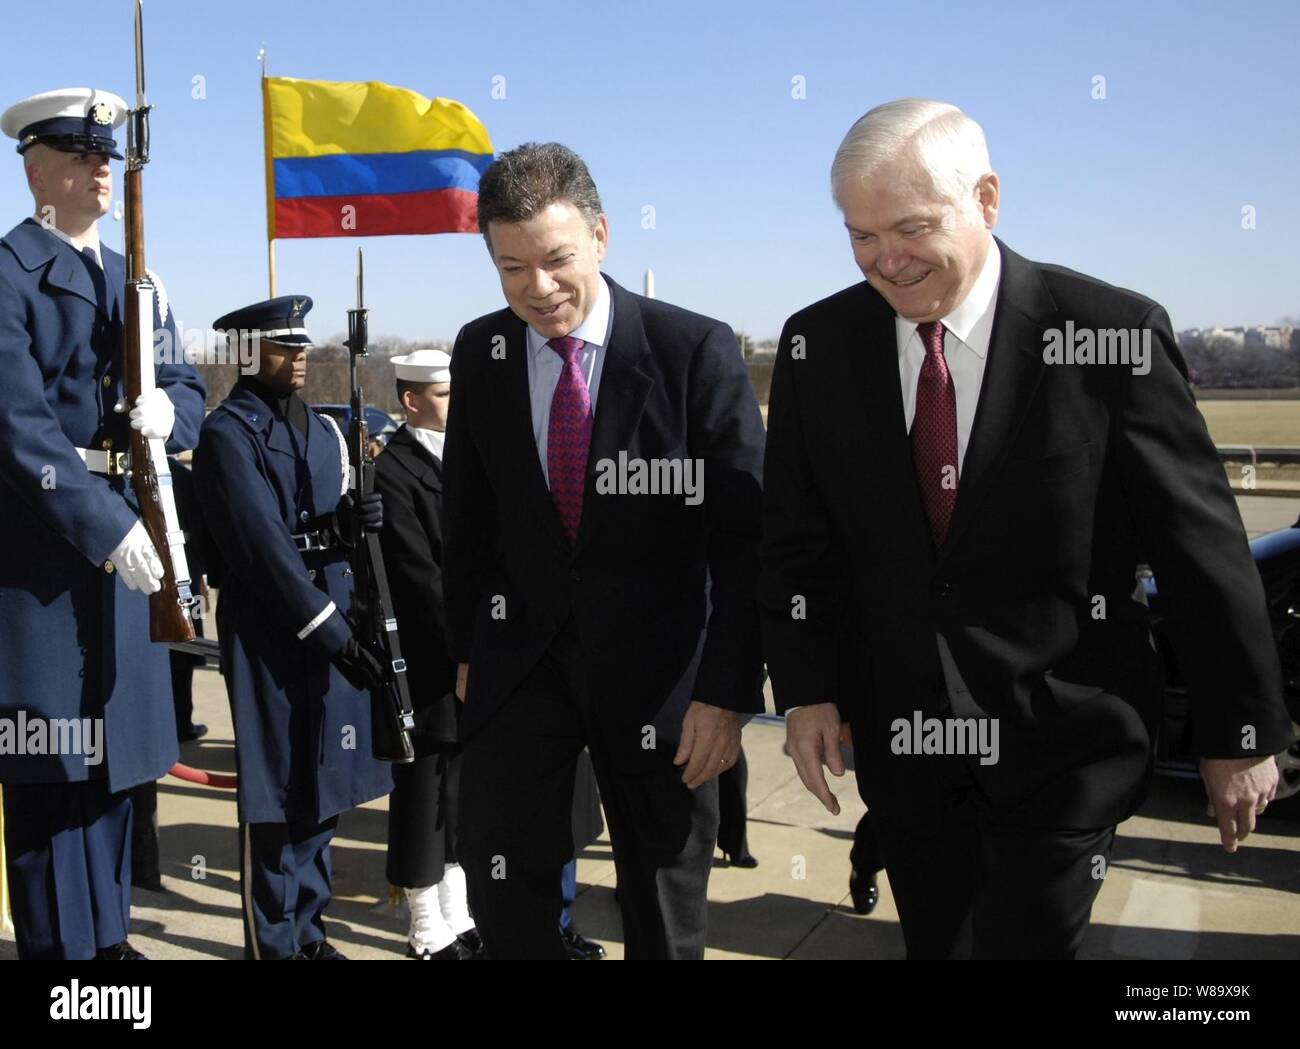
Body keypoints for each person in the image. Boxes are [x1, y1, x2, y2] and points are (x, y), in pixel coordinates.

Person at [760, 98, 1292, 959]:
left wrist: (1242, 732)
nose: (885, 261)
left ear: (988, 199)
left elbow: (1202, 550)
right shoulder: (816, 345)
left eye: (910, 227)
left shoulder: (1110, 335)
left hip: (1064, 739)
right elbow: (796, 540)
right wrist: (809, 688)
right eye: (860, 235)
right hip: (906, 744)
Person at [442, 142, 766, 960]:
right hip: (521, 671)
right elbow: (467, 522)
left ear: (601, 236)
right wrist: (466, 649)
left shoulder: (694, 353)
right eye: (512, 266)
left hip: (664, 690)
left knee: (661, 903)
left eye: (557, 259)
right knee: (505, 889)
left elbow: (747, 544)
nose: (538, 288)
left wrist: (726, 694)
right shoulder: (480, 354)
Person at [0, 88, 206, 960]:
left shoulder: (136, 278)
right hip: (47, 559)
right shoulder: (10, 273)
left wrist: (166, 411)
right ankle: (63, 967)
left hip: (132, 544)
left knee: (118, 772)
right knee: (53, 781)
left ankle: (110, 949)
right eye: (81, 155)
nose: (100, 170)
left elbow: (189, 395)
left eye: (107, 157)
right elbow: (18, 424)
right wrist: (102, 521)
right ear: (35, 167)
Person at [192, 295, 393, 961]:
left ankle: (309, 931)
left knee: (321, 785)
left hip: (331, 626)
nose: (301, 355)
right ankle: (273, 943)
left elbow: (312, 524)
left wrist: (347, 522)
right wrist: (339, 636)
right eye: (284, 346)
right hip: (278, 635)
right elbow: (264, 555)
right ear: (249, 354)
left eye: (303, 343)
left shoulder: (318, 425)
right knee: (276, 798)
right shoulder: (228, 434)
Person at [375, 349, 477, 960]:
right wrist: (469, 644)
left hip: (470, 653)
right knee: (422, 789)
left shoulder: (464, 458)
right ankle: (422, 920)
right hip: (428, 659)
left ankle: (457, 911)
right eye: (443, 394)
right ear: (412, 401)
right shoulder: (394, 471)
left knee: (459, 789)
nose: (455, 403)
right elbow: (421, 578)